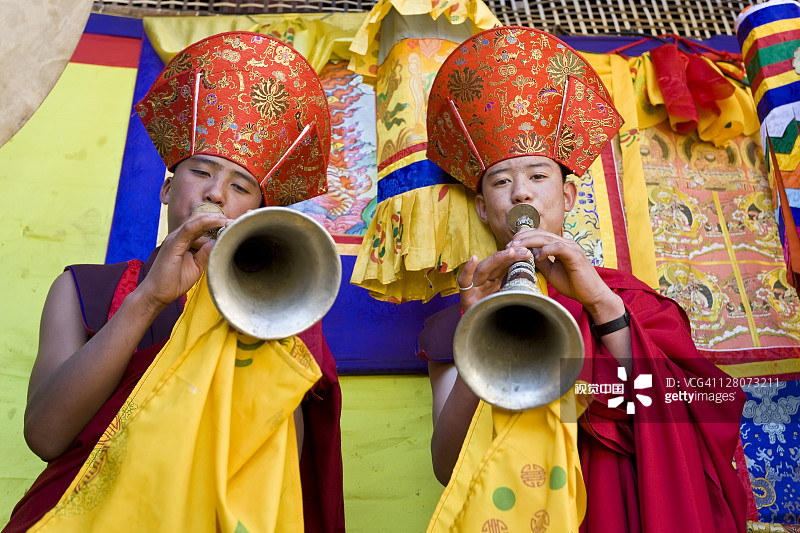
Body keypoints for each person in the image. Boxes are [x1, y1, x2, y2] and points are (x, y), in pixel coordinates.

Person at [4, 32, 344, 533]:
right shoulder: (84, 289)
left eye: (240, 185)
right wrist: (149, 298)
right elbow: (46, 436)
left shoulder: (278, 313)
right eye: (201, 171)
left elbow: (279, 469)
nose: (216, 193)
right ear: (167, 187)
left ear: (255, 213)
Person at [418, 27, 747, 532]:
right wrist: (476, 329)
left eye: (538, 176)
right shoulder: (457, 315)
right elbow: (446, 467)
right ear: (484, 208)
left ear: (569, 198)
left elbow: (695, 418)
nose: (521, 193)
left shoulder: (634, 304)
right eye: (502, 182)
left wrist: (602, 305)